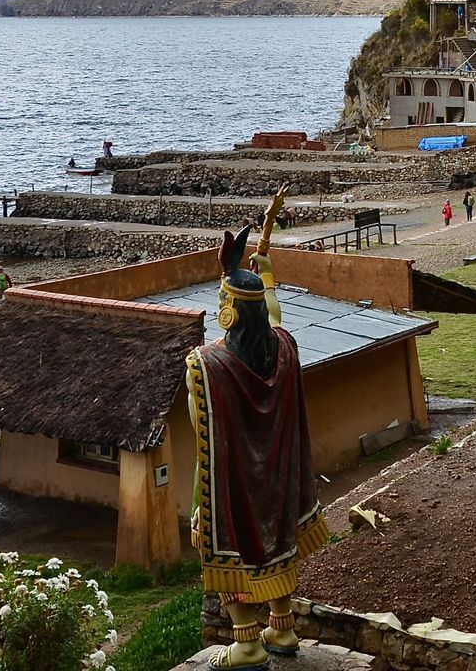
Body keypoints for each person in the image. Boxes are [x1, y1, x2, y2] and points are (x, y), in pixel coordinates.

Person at [186, 218, 326, 665]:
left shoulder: (206, 366)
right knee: (279, 539)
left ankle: (245, 642)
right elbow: (276, 317)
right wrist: (266, 275)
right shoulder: (285, 348)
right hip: (279, 480)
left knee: (231, 551)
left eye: (222, 299)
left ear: (229, 311)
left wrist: (199, 506)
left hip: (235, 488)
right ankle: (281, 627)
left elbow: (205, 444)